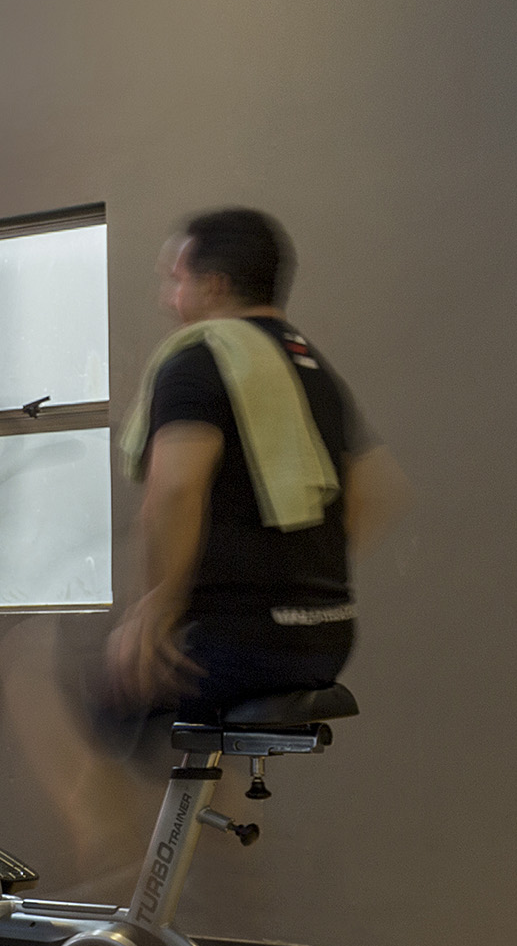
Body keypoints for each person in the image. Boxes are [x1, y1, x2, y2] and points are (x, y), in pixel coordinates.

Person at [102, 208, 402, 721]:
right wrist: (298, 574)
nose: (168, 299)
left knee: (45, 686)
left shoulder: (198, 358)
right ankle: (206, 805)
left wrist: (161, 602)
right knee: (206, 758)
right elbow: (378, 489)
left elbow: (174, 489)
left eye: (176, 281)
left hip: (231, 646)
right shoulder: (311, 369)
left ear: (214, 286)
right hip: (325, 640)